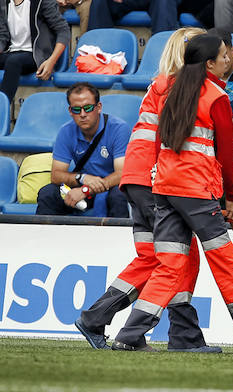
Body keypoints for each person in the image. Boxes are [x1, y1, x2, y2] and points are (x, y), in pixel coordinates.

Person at [111, 33, 233, 354]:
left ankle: (130, 333)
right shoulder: (215, 96)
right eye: (223, 55)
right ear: (209, 63)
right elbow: (226, 153)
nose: (229, 60)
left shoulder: (171, 89)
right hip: (195, 189)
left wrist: (158, 176)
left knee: (169, 265)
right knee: (226, 259)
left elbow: (158, 140)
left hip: (164, 187)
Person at [75, 27, 219, 354]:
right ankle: (183, 337)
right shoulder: (180, 86)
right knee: (178, 258)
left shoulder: (161, 83)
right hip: (156, 180)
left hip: (136, 178)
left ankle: (98, 319)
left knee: (152, 259)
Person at [35, 82, 129, 217]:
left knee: (119, 196)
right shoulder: (66, 131)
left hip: (111, 185)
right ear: (70, 111)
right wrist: (82, 178)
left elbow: (121, 174)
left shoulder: (119, 128)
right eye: (77, 110)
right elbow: (56, 175)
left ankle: (119, 237)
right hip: (83, 183)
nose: (83, 114)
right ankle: (44, 236)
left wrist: (87, 189)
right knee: (48, 193)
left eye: (88, 108)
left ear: (99, 107)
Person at [0, 0, 68, 103]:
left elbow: (63, 30)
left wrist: (51, 61)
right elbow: (3, 35)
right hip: (11, 52)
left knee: (13, 61)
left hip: (36, 55)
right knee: (12, 59)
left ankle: (1, 110)